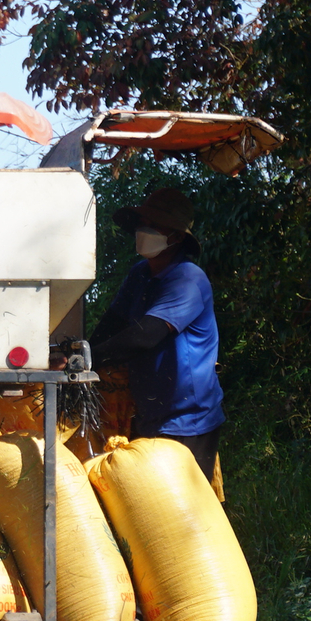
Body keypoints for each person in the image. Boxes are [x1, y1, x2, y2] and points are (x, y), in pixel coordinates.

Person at [87, 188, 224, 481]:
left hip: (189, 420)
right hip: (149, 414)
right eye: (142, 223)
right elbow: (112, 323)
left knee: (186, 508)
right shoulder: (140, 275)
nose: (143, 231)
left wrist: (89, 358)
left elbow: (145, 335)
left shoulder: (187, 278)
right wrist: (79, 351)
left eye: (154, 225)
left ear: (176, 236)